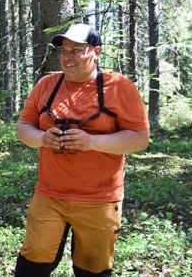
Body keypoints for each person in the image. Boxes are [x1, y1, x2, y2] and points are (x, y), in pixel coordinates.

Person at [14, 24, 150, 276]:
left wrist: (92, 142)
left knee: (93, 271)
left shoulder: (119, 87)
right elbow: (23, 128)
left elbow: (140, 139)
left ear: (96, 52)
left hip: (99, 200)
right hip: (49, 195)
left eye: (76, 50)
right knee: (31, 266)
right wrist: (43, 138)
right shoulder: (47, 85)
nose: (67, 56)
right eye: (64, 51)